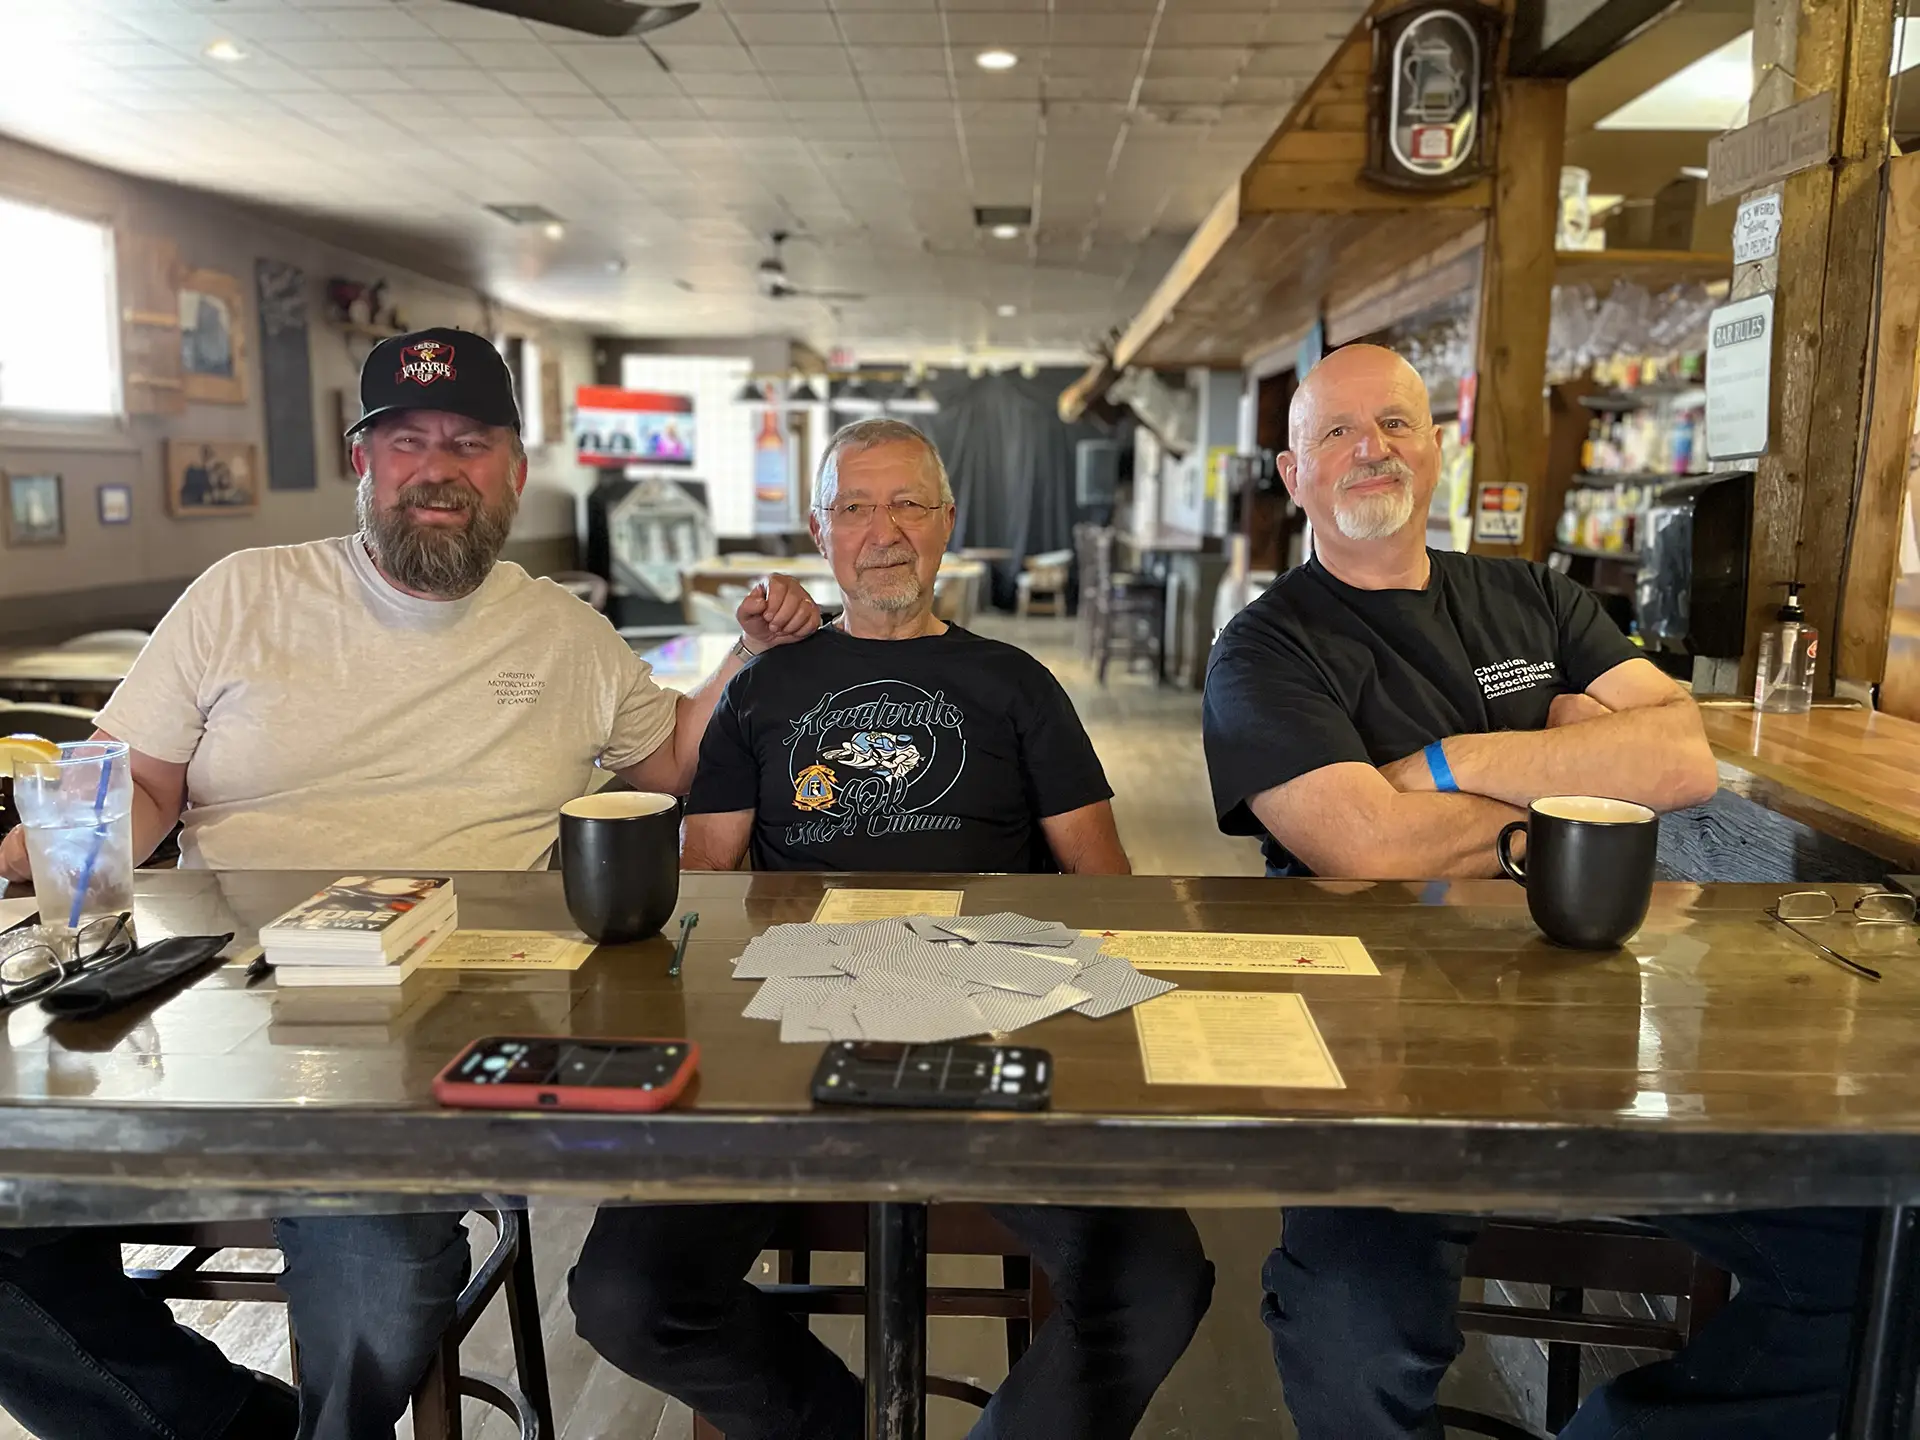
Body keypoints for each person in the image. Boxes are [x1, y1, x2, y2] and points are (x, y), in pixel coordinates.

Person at [0, 327, 820, 1440]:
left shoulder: (564, 631)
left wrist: (746, 655)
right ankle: (232, 1426)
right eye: (407, 441)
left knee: (379, 1273)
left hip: (449, 1019)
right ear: (363, 462)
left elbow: (669, 761)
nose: (438, 468)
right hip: (213, 1011)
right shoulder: (241, 594)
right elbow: (138, 784)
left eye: (469, 443)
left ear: (514, 471)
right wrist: (67, 839)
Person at [1202, 343, 1866, 1440]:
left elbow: (1682, 760)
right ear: (1294, 473)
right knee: (1349, 1324)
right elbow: (1367, 845)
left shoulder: (1534, 596)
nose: (1372, 450)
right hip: (1375, 1048)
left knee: (1870, 1256)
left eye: (1397, 424)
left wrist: (1453, 762)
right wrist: (1575, 777)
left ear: (1436, 448)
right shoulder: (1264, 649)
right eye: (1338, 432)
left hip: (1604, 1026)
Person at [567, 417, 1214, 1440]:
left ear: (947, 522)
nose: (885, 532)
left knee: (1158, 1280)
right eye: (857, 507)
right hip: (791, 1032)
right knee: (624, 1294)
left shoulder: (1018, 683)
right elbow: (707, 880)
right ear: (819, 530)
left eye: (909, 503)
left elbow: (1104, 883)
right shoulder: (761, 689)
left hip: (991, 1021)